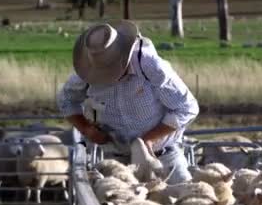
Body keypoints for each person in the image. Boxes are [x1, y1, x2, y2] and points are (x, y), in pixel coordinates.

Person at [57, 20, 198, 184]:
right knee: (115, 203)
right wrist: (87, 129)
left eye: (109, 68)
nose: (107, 76)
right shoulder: (88, 72)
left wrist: (148, 140)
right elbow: (66, 100)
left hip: (162, 157)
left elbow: (187, 107)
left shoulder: (149, 66)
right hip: (117, 161)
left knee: (186, 201)